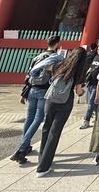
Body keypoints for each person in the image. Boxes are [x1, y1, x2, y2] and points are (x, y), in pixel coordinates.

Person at [10, 35, 63, 165]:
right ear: (57, 44)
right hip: (44, 90)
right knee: (38, 118)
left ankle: (26, 145)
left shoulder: (37, 57)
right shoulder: (56, 58)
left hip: (32, 89)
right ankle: (21, 149)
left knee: (29, 118)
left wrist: (24, 93)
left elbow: (29, 74)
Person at [36, 46, 87, 177]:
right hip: (65, 101)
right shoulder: (79, 71)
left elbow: (46, 67)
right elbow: (78, 90)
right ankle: (43, 167)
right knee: (55, 132)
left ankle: (42, 160)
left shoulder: (60, 64)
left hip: (50, 98)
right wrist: (82, 93)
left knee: (46, 128)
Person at [80, 43, 99, 129]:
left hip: (98, 85)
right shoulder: (96, 57)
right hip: (90, 83)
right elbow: (91, 68)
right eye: (98, 49)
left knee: (91, 103)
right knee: (95, 104)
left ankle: (86, 120)